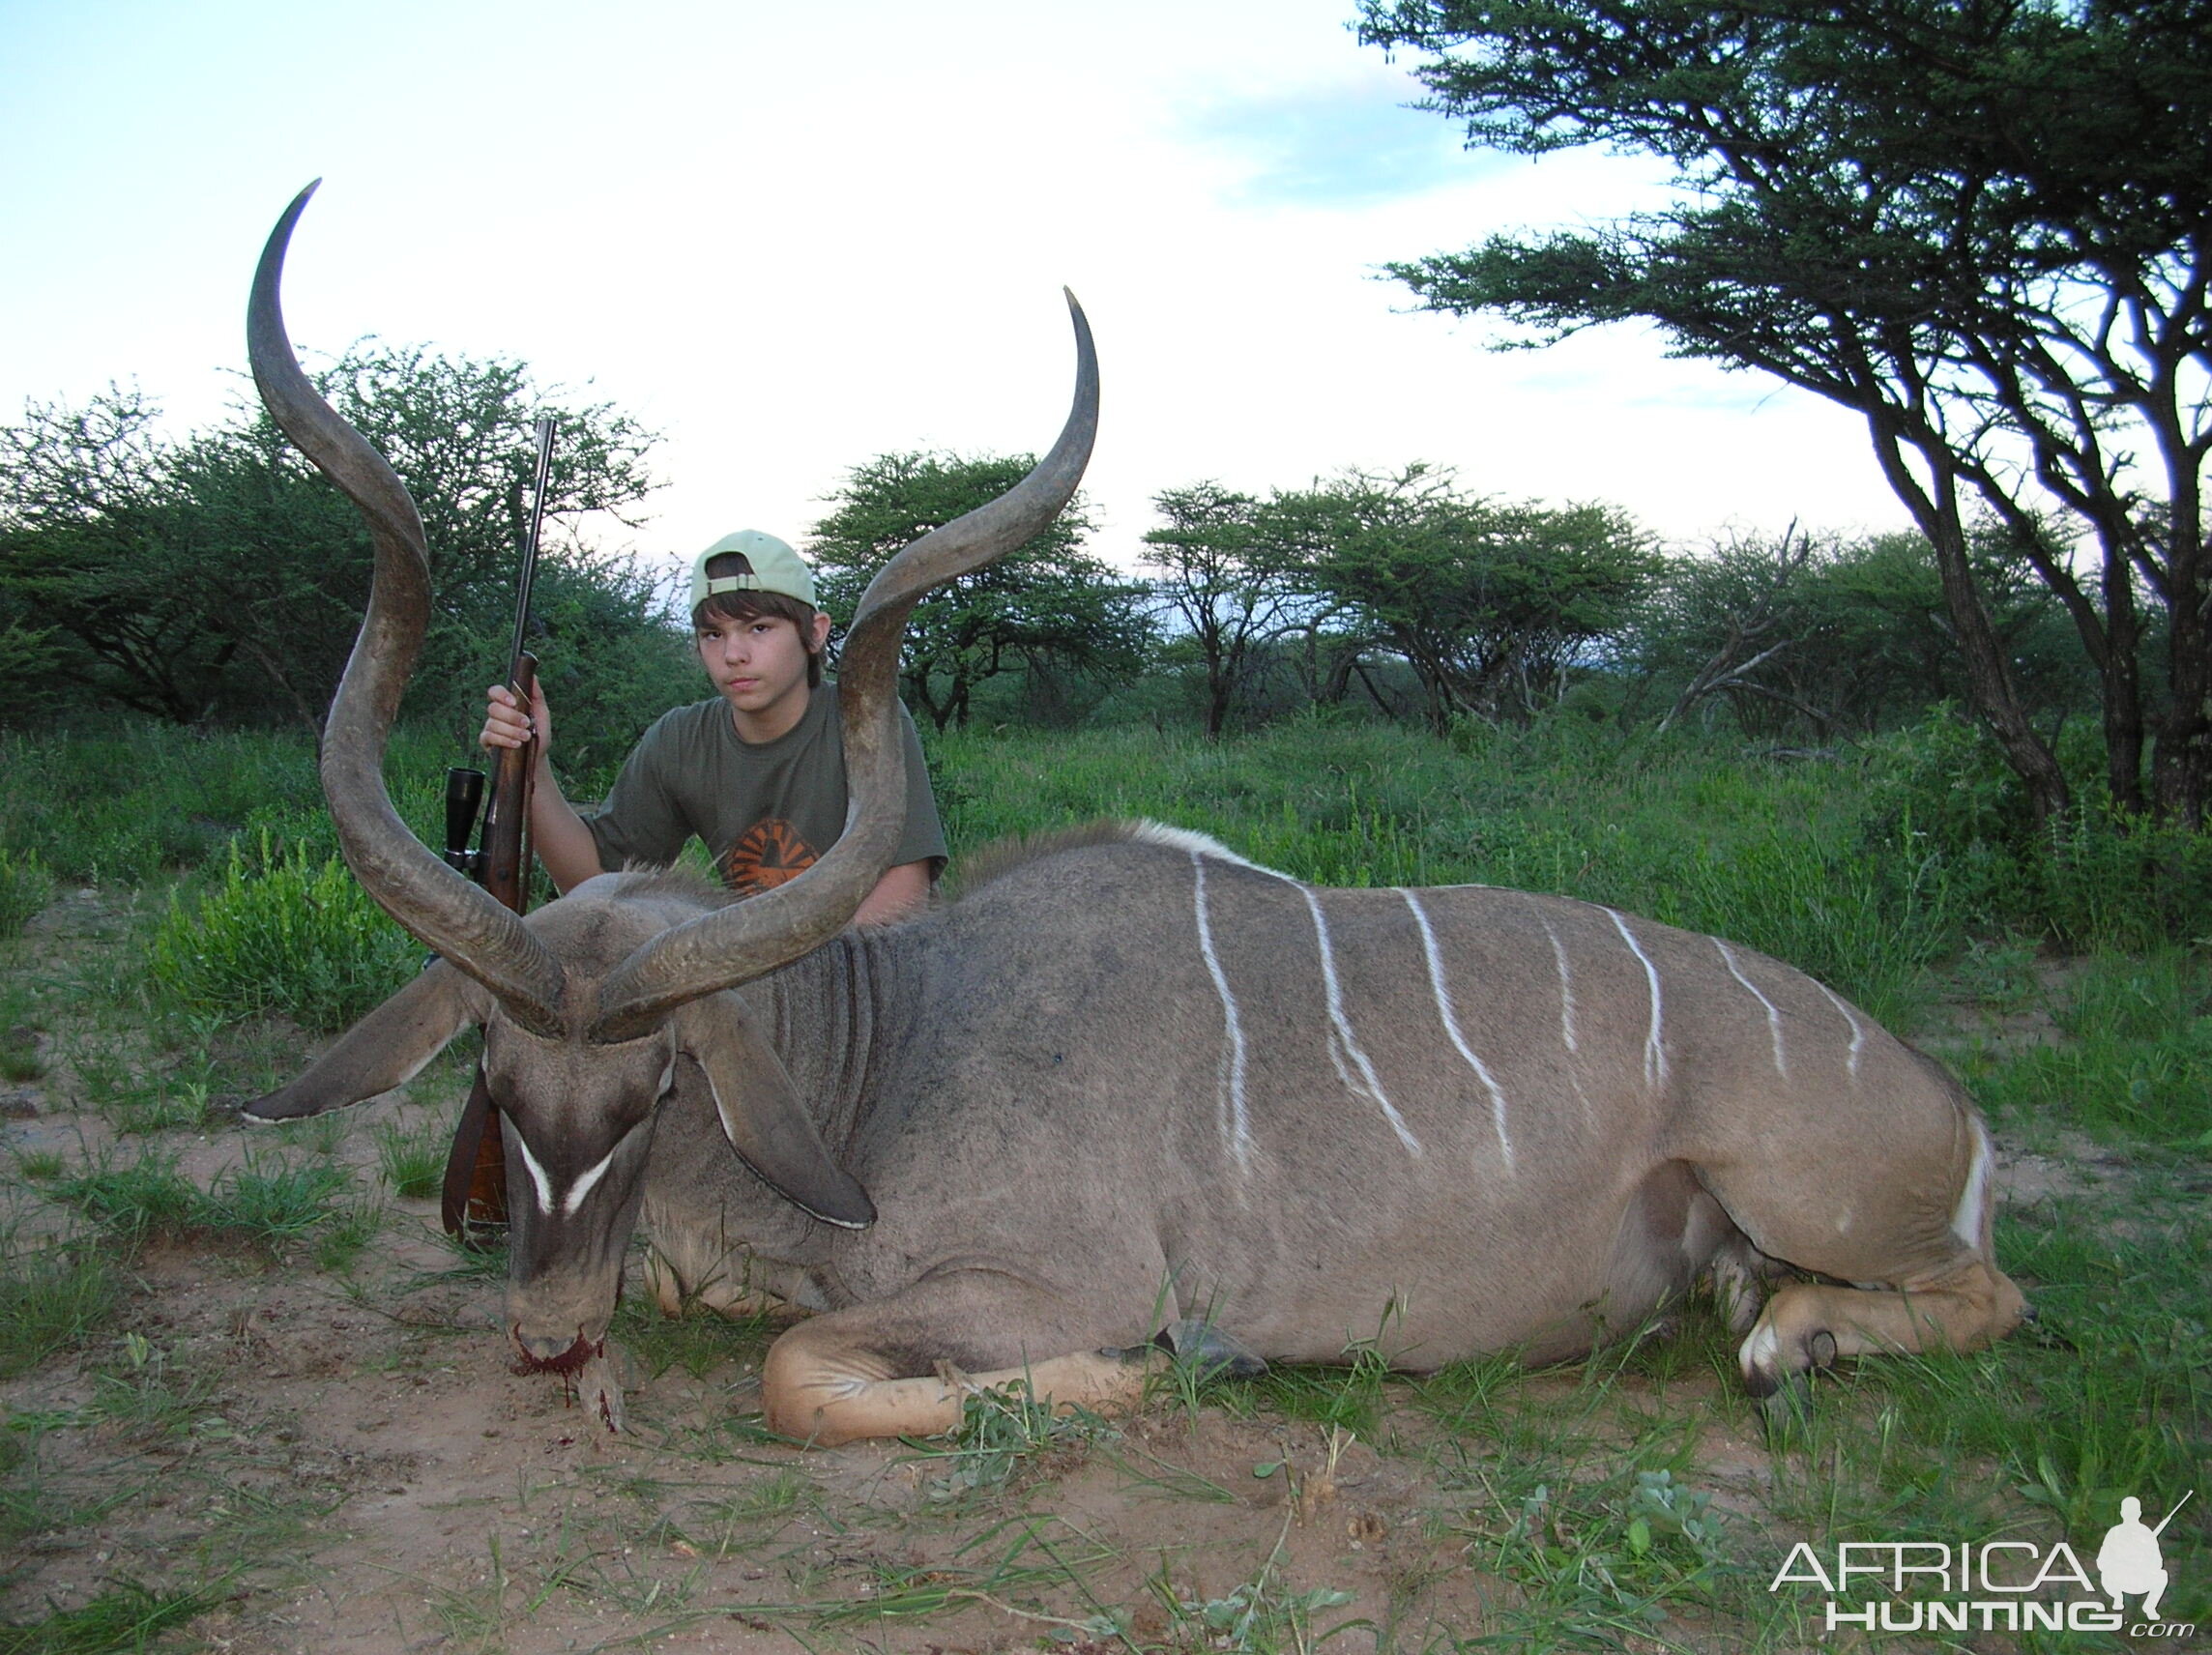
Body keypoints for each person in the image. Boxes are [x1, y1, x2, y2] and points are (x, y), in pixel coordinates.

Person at [480, 529, 946, 924]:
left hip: (868, 978)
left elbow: (906, 891)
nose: (734, 655)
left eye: (759, 628)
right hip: (750, 976)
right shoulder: (681, 739)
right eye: (713, 635)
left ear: (816, 632)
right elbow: (592, 883)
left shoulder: (867, 719)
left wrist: (797, 988)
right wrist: (532, 765)